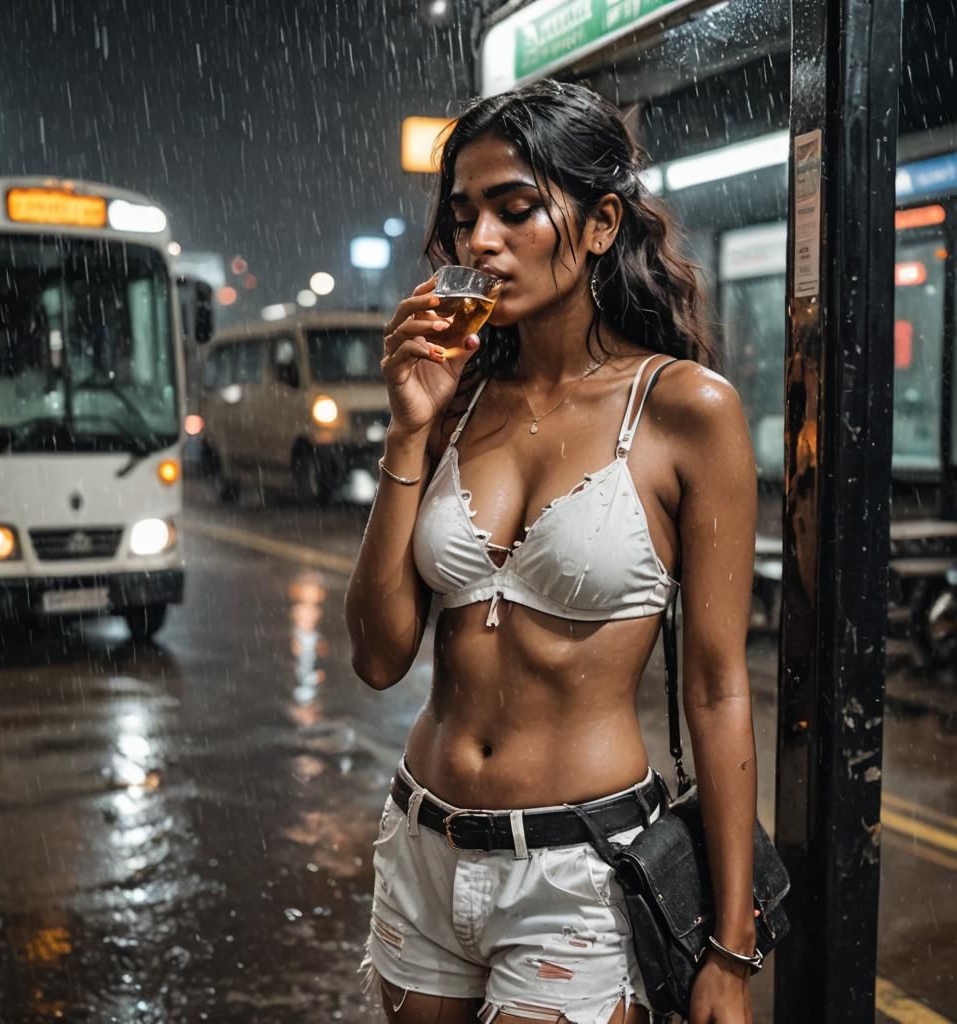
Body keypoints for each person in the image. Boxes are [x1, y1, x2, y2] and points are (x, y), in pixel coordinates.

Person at [345, 80, 759, 1024]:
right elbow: (376, 658)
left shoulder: (686, 410)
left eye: (516, 208)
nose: (479, 241)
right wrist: (409, 433)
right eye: (463, 218)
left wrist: (730, 953)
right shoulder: (454, 403)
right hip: (422, 843)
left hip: (579, 871)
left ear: (602, 222)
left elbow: (719, 690)